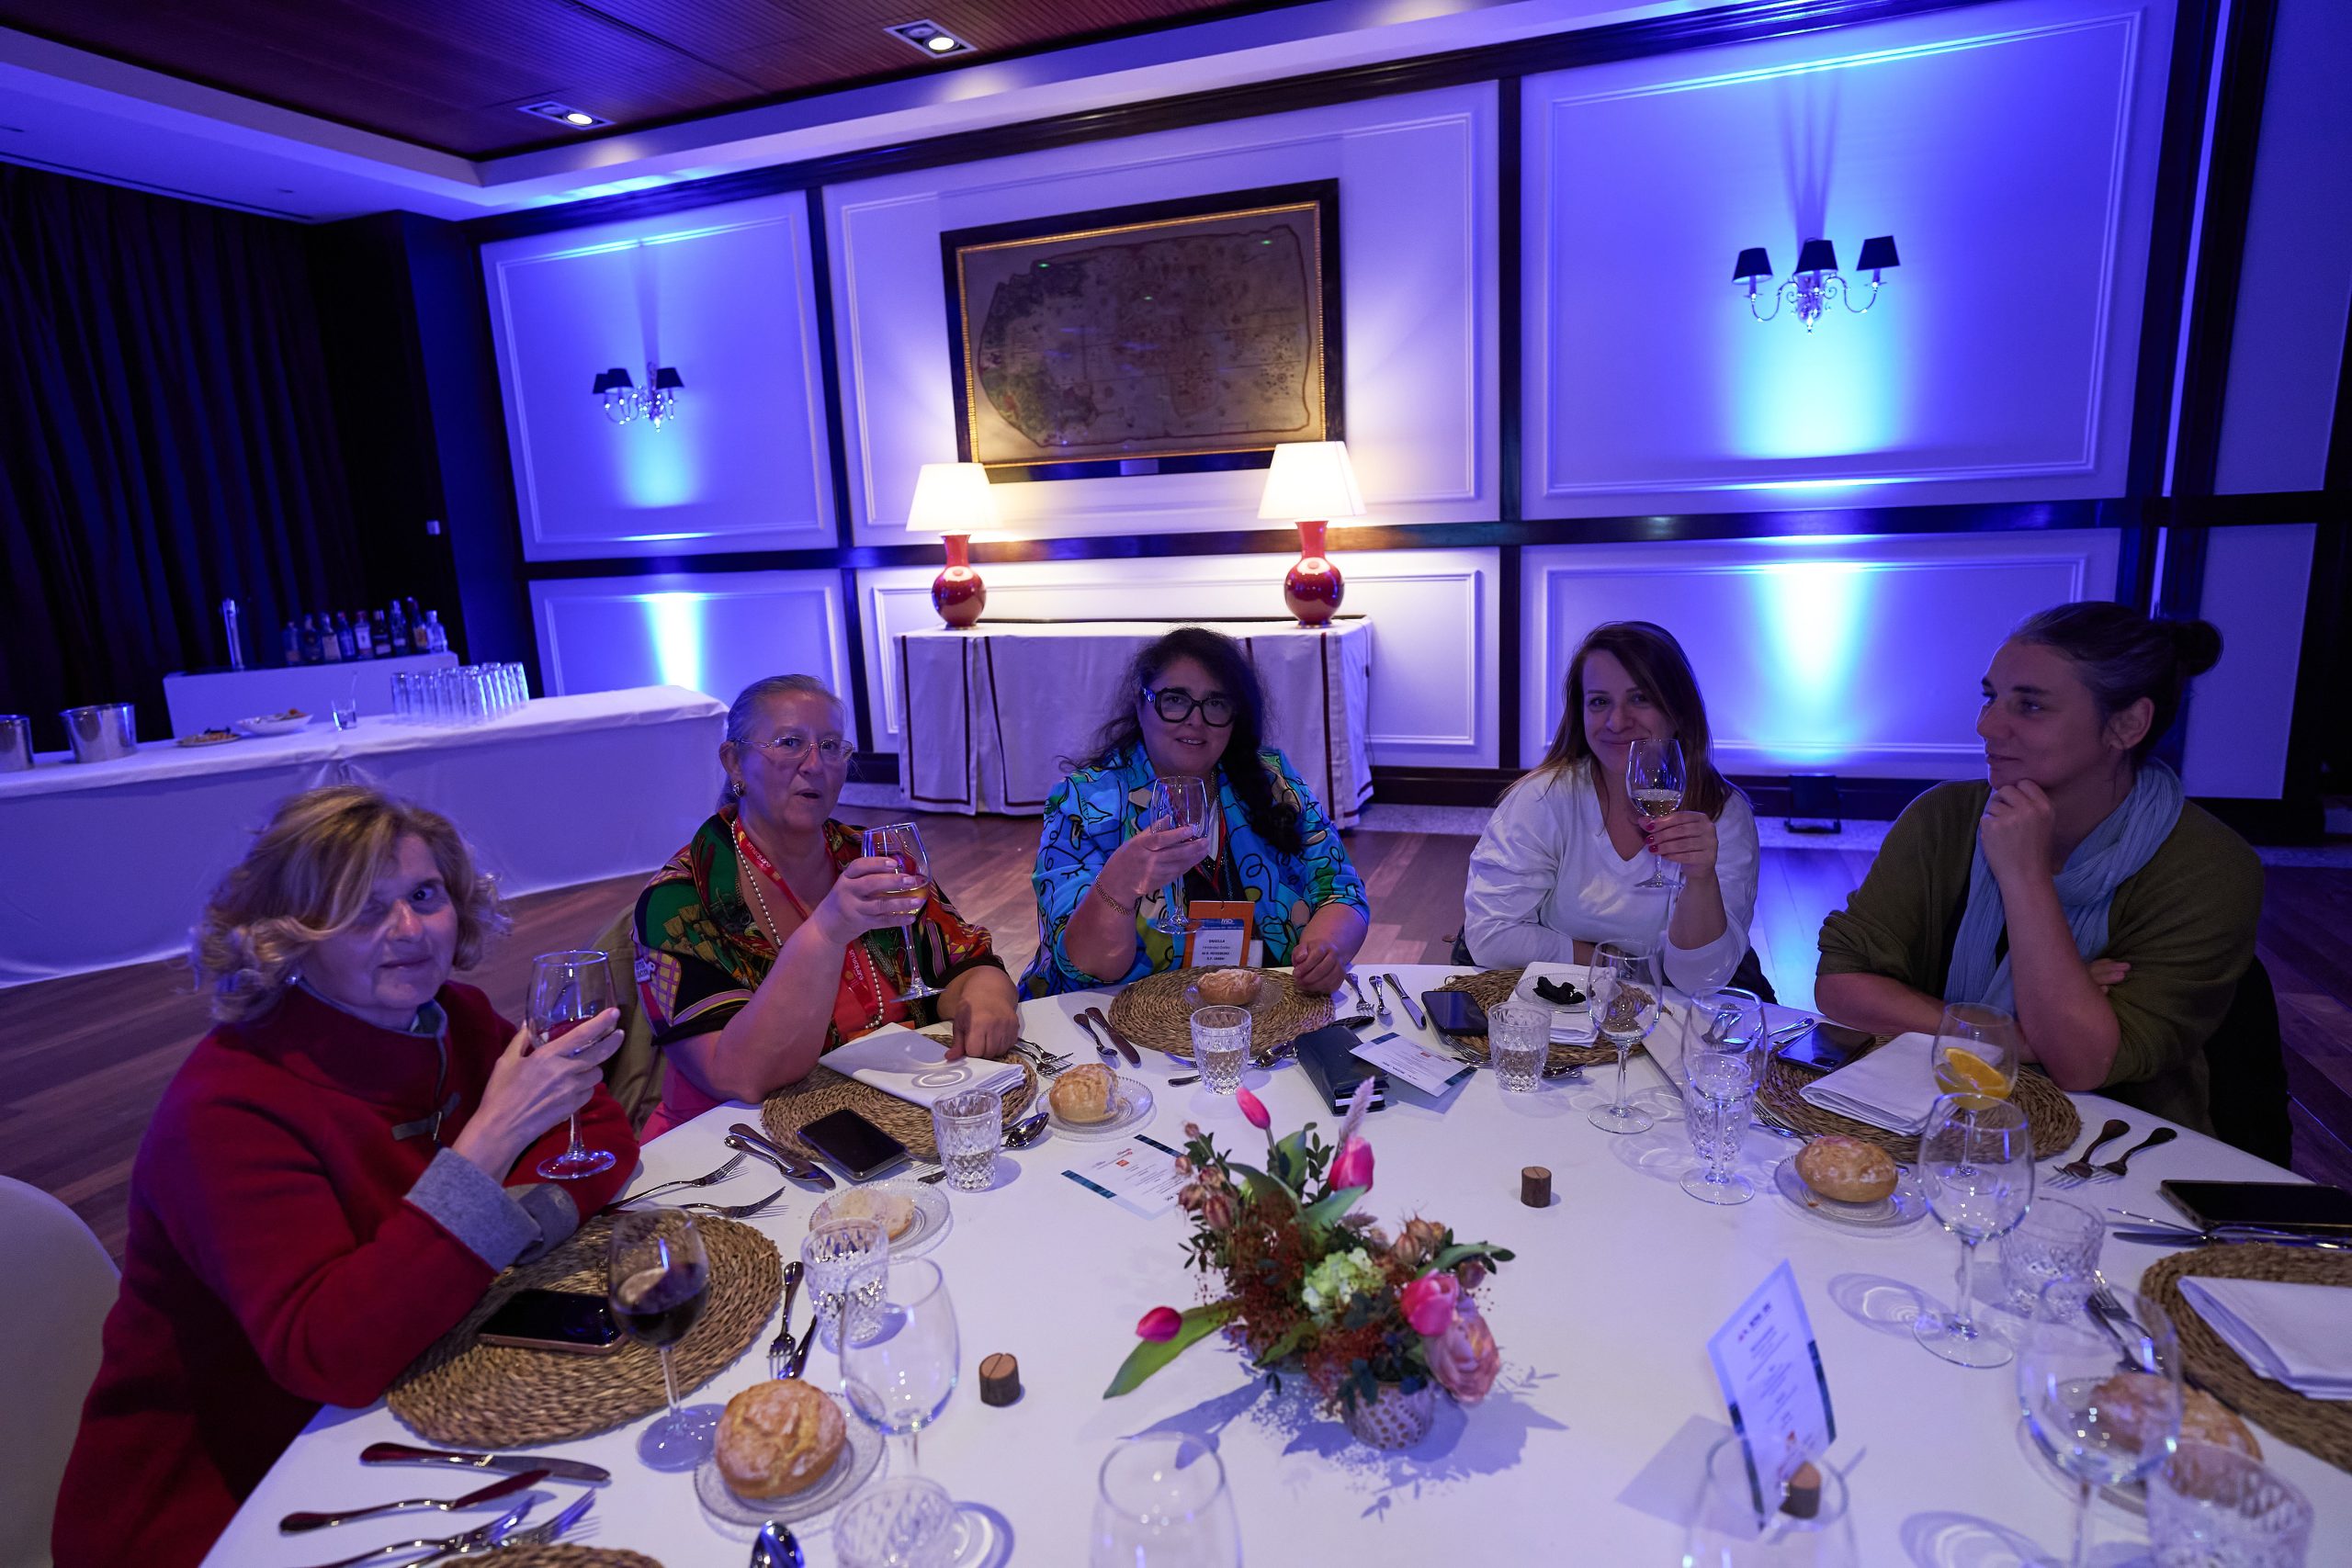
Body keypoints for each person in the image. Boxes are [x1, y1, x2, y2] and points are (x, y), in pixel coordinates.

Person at [52, 787, 637, 1568]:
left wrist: (504, 1227)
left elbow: (597, 1134)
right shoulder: (228, 1107)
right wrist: (490, 1142)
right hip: (234, 1497)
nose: (409, 931)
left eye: (423, 895)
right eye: (361, 909)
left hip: (414, 1402)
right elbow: (330, 1354)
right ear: (287, 936)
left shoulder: (455, 1017)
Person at [1815, 603, 2260, 1131]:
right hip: (1921, 1109)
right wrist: (2015, 1036)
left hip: (2120, 1141)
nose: (1986, 725)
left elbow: (2081, 1063)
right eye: (1990, 697)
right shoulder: (1943, 819)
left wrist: (2024, 875)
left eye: (2029, 706)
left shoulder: (2208, 868)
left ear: (2127, 725)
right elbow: (1841, 985)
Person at [634, 675, 1021, 1138]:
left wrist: (986, 998)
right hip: (736, 1141)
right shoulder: (680, 901)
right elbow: (739, 1076)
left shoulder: (870, 857)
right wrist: (826, 931)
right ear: (734, 762)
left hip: (894, 1113)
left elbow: (967, 963)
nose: (815, 765)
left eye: (831, 746)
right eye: (790, 743)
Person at [1022, 626, 1370, 996]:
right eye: (1175, 700)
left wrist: (1325, 951)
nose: (1196, 720)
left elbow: (1341, 890)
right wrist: (1117, 885)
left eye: (1216, 703)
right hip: (1111, 1015)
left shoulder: (1273, 781)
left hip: (1262, 1007)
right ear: (1140, 704)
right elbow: (1087, 965)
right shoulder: (1084, 802)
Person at [1462, 620, 1760, 991]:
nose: (1617, 722)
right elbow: (1491, 935)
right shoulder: (1543, 797)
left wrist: (1700, 879)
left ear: (1678, 711)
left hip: (1676, 1014)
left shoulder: (1723, 815)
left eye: (1640, 698)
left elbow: (1700, 980)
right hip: (1561, 1002)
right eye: (1599, 702)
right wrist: (1616, 967)